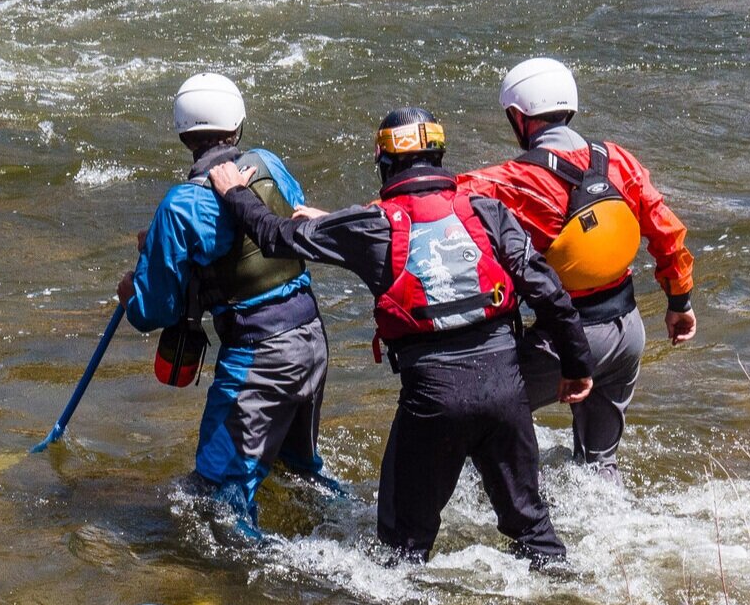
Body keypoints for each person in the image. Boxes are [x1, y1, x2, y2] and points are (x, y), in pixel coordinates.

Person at [205, 110, 594, 569]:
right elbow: (548, 292)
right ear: (439, 156)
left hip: (434, 399)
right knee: (533, 531)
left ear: (385, 164)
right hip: (507, 391)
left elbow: (275, 236)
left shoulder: (369, 226)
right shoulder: (487, 211)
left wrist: (234, 192)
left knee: (401, 555)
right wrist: (576, 365)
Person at [114, 72, 332, 541]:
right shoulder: (269, 165)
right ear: (236, 122)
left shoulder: (179, 207)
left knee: (215, 497)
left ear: (183, 133)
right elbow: (282, 225)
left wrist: (131, 291)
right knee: (299, 471)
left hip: (259, 356)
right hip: (312, 336)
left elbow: (154, 310)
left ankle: (250, 593)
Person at [456, 57, 698, 470]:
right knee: (599, 463)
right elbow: (666, 232)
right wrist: (680, 303)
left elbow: (432, 198)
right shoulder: (617, 159)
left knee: (473, 416)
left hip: (567, 342)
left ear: (519, 117)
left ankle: (513, 508)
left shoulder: (516, 180)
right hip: (628, 334)